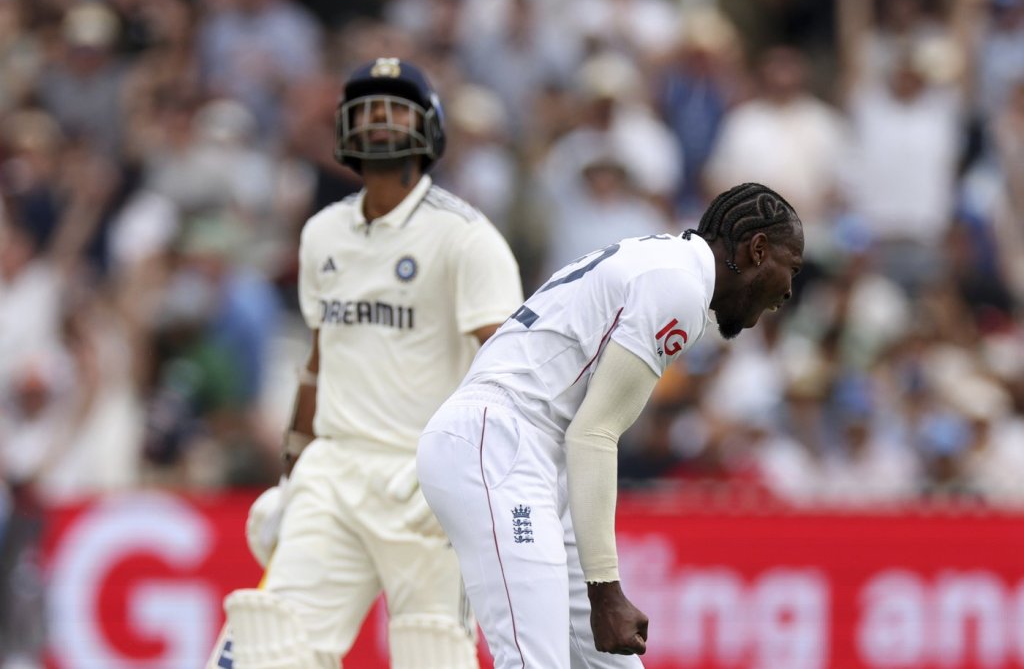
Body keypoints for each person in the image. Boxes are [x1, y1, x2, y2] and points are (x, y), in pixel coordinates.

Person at [208, 57, 523, 669]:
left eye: (396, 108)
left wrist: (471, 474)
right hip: (333, 472)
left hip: (425, 482)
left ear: (429, 127)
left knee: (434, 655)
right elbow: (317, 363)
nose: (380, 119)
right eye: (367, 108)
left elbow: (509, 373)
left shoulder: (466, 237)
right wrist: (290, 476)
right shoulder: (323, 233)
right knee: (265, 650)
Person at [417, 182, 804, 668]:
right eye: (791, 268)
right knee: (535, 661)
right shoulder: (680, 288)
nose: (788, 290)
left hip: (531, 451)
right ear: (758, 249)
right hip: (500, 443)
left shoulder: (668, 265)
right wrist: (605, 591)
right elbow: (593, 434)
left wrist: (603, 588)